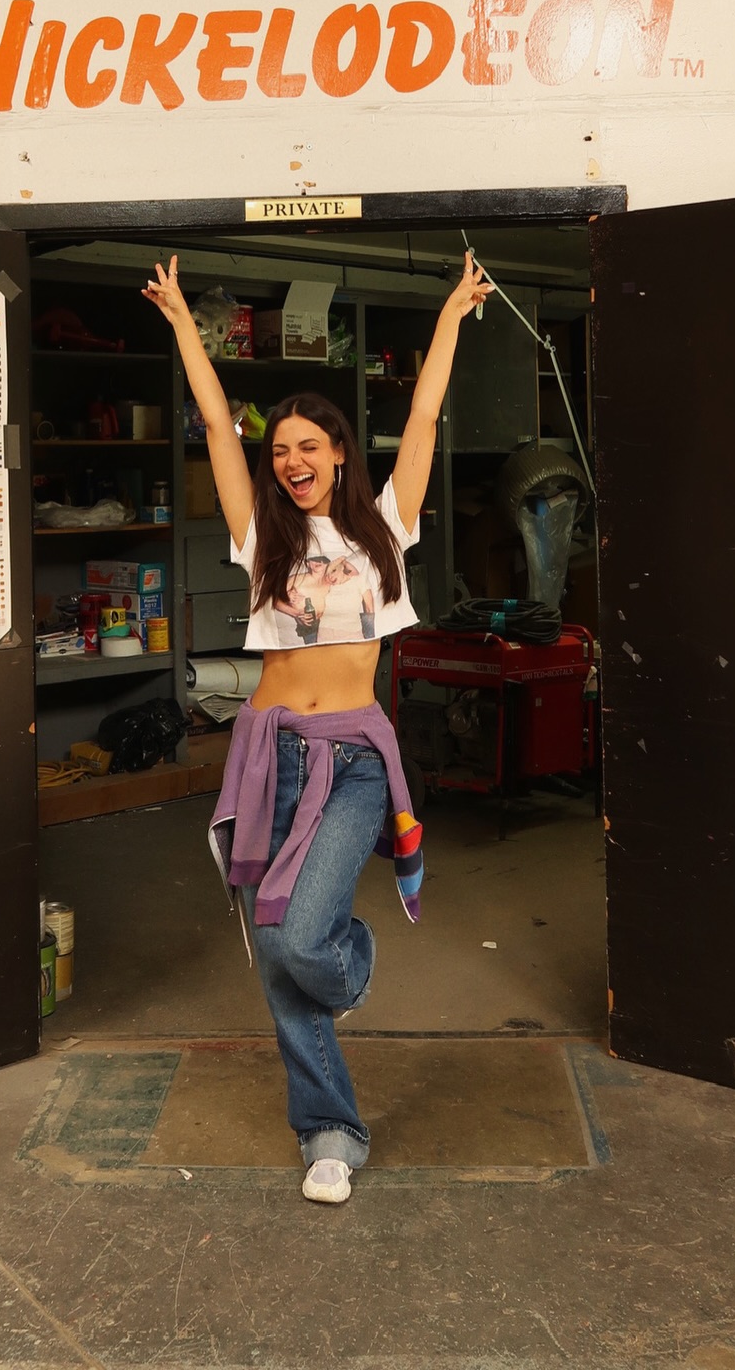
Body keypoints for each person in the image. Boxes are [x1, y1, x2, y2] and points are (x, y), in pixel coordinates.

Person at [143, 249, 493, 1205]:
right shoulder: (262, 536)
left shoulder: (385, 527)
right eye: (280, 451)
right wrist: (181, 324)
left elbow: (423, 418)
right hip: (268, 759)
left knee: (303, 943)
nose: (291, 462)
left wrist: (451, 316)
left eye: (308, 447)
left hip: (353, 762)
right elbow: (216, 422)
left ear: (339, 451)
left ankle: (348, 952)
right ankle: (329, 1131)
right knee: (276, 960)